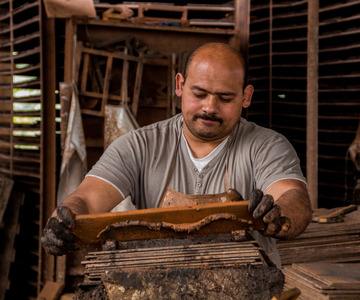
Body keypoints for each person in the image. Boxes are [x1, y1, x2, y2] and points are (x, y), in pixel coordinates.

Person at [41, 42, 312, 268]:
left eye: (225, 98)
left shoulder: (267, 146)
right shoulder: (139, 145)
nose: (210, 107)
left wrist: (279, 215)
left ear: (246, 96)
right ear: (180, 85)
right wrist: (66, 221)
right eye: (200, 93)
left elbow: (293, 197)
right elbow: (86, 199)